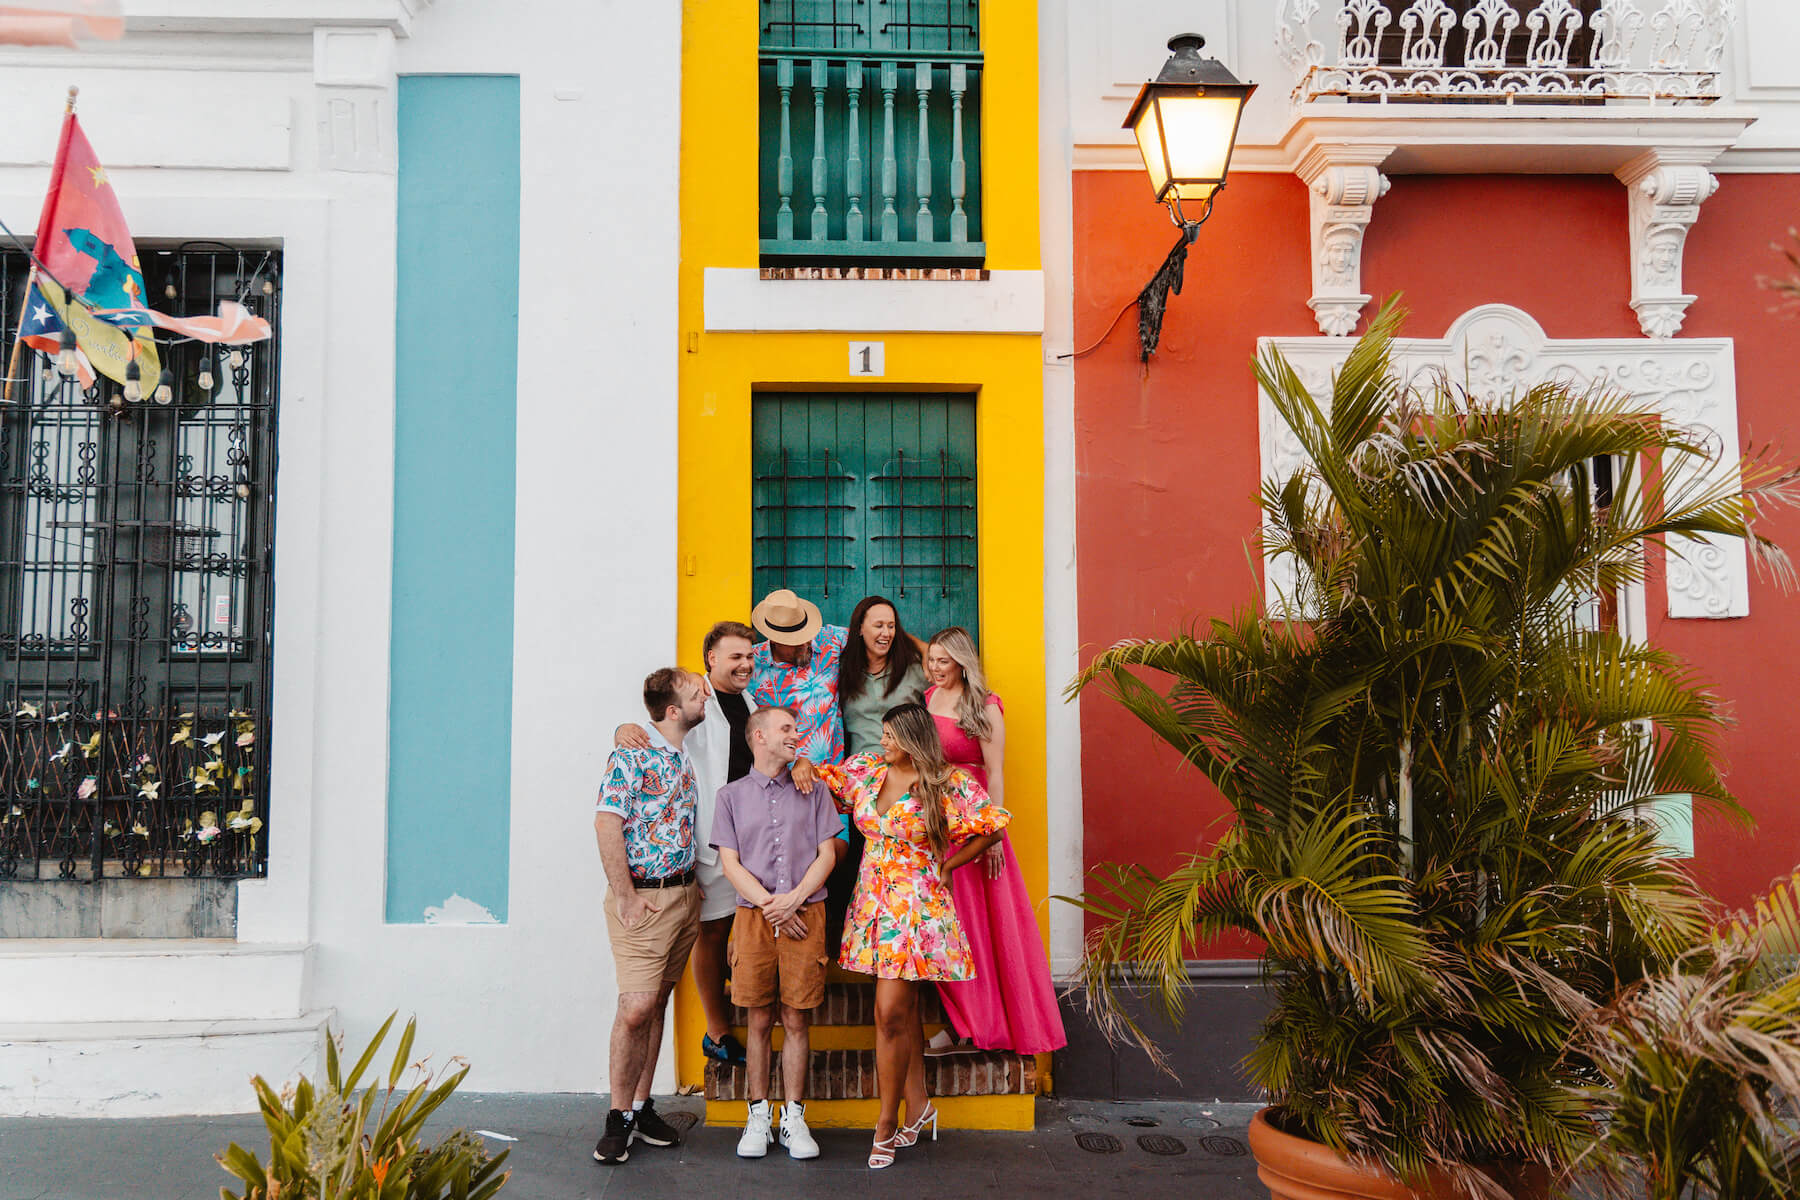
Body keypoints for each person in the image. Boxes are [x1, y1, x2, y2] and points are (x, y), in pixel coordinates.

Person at [815, 703, 1009, 1169]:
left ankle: (886, 1123)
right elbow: (826, 780)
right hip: (872, 907)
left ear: (912, 738)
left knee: (887, 1014)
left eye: (890, 735)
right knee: (901, 1013)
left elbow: (993, 826)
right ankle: (919, 1106)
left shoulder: (945, 783)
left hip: (917, 910)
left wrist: (949, 865)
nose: (881, 741)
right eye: (882, 734)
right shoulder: (868, 771)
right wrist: (802, 763)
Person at [614, 622, 760, 1068]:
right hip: (706, 842)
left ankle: (751, 1022)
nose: (745, 664)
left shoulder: (750, 703)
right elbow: (657, 728)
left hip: (746, 840)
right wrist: (624, 728)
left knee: (742, 927)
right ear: (711, 659)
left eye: (750, 656)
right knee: (710, 934)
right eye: (735, 656)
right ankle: (716, 1031)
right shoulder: (697, 702)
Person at [922, 628, 1067, 1058]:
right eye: (931, 659)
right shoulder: (929, 698)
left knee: (979, 926)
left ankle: (980, 1026)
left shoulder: (985, 705)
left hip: (973, 824)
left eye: (943, 661)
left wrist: (993, 833)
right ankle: (962, 1021)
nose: (935, 667)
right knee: (946, 924)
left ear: (962, 663)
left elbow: (995, 772)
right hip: (936, 822)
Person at [711, 706, 844, 1160]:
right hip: (754, 918)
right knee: (758, 1019)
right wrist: (774, 907)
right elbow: (730, 864)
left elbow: (827, 855)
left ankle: (794, 1118)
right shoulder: (730, 797)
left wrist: (793, 900)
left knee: (797, 1018)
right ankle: (757, 1116)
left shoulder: (815, 790)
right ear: (759, 736)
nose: (795, 735)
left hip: (806, 914)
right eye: (785, 728)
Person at [591, 668, 708, 1166]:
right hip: (644, 900)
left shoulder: (684, 752)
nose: (704, 694)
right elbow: (606, 822)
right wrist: (625, 896)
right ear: (674, 710)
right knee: (636, 1007)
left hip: (685, 896)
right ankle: (617, 1117)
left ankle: (639, 1108)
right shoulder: (632, 753)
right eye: (696, 691)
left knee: (657, 1002)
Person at [824, 595, 929, 948]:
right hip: (860, 781)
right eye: (878, 625)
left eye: (891, 626)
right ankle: (857, 942)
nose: (885, 633)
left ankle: (904, 940)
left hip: (905, 777)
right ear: (859, 629)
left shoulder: (912, 668)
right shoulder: (842, 669)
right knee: (858, 859)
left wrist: (908, 639)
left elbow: (950, 664)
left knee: (901, 861)